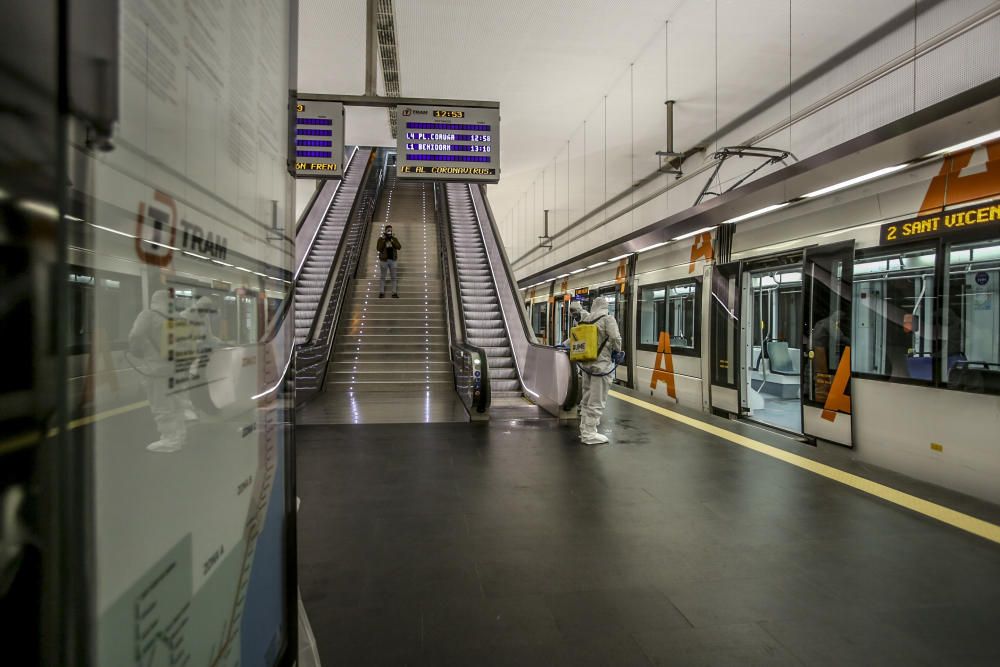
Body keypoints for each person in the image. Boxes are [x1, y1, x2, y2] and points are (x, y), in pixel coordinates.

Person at [128, 290, 186, 453]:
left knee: (161, 405)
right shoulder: (179, 317)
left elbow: (135, 335)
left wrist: (136, 352)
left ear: (154, 301)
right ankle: (180, 435)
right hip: (177, 369)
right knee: (176, 403)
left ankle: (170, 440)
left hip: (157, 369)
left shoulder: (148, 315)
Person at [578, 296, 622, 445]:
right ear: (605, 306)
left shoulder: (586, 319)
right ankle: (589, 434)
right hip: (601, 365)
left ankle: (584, 429)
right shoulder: (608, 319)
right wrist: (618, 350)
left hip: (586, 365)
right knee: (597, 400)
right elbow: (616, 338)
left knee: (586, 398)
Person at [376, 225, 401, 298]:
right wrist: (384, 240)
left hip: (393, 260)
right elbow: (379, 248)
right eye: (388, 230)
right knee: (383, 277)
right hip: (384, 260)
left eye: (391, 230)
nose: (390, 231)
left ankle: (394, 293)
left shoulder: (394, 238)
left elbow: (399, 247)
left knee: (394, 277)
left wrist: (392, 240)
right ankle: (381, 292)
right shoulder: (381, 239)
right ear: (385, 231)